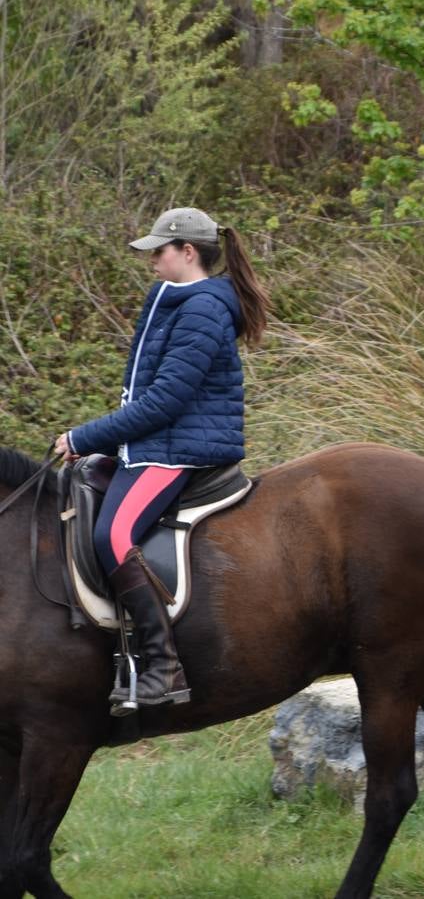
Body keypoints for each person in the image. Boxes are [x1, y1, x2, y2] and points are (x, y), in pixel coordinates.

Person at [53, 207, 270, 711]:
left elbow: (166, 401)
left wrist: (86, 435)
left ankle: (162, 665)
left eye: (159, 251)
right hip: (155, 444)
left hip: (180, 452)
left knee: (113, 534)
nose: (151, 260)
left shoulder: (202, 310)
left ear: (187, 252)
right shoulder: (171, 299)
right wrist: (102, 443)